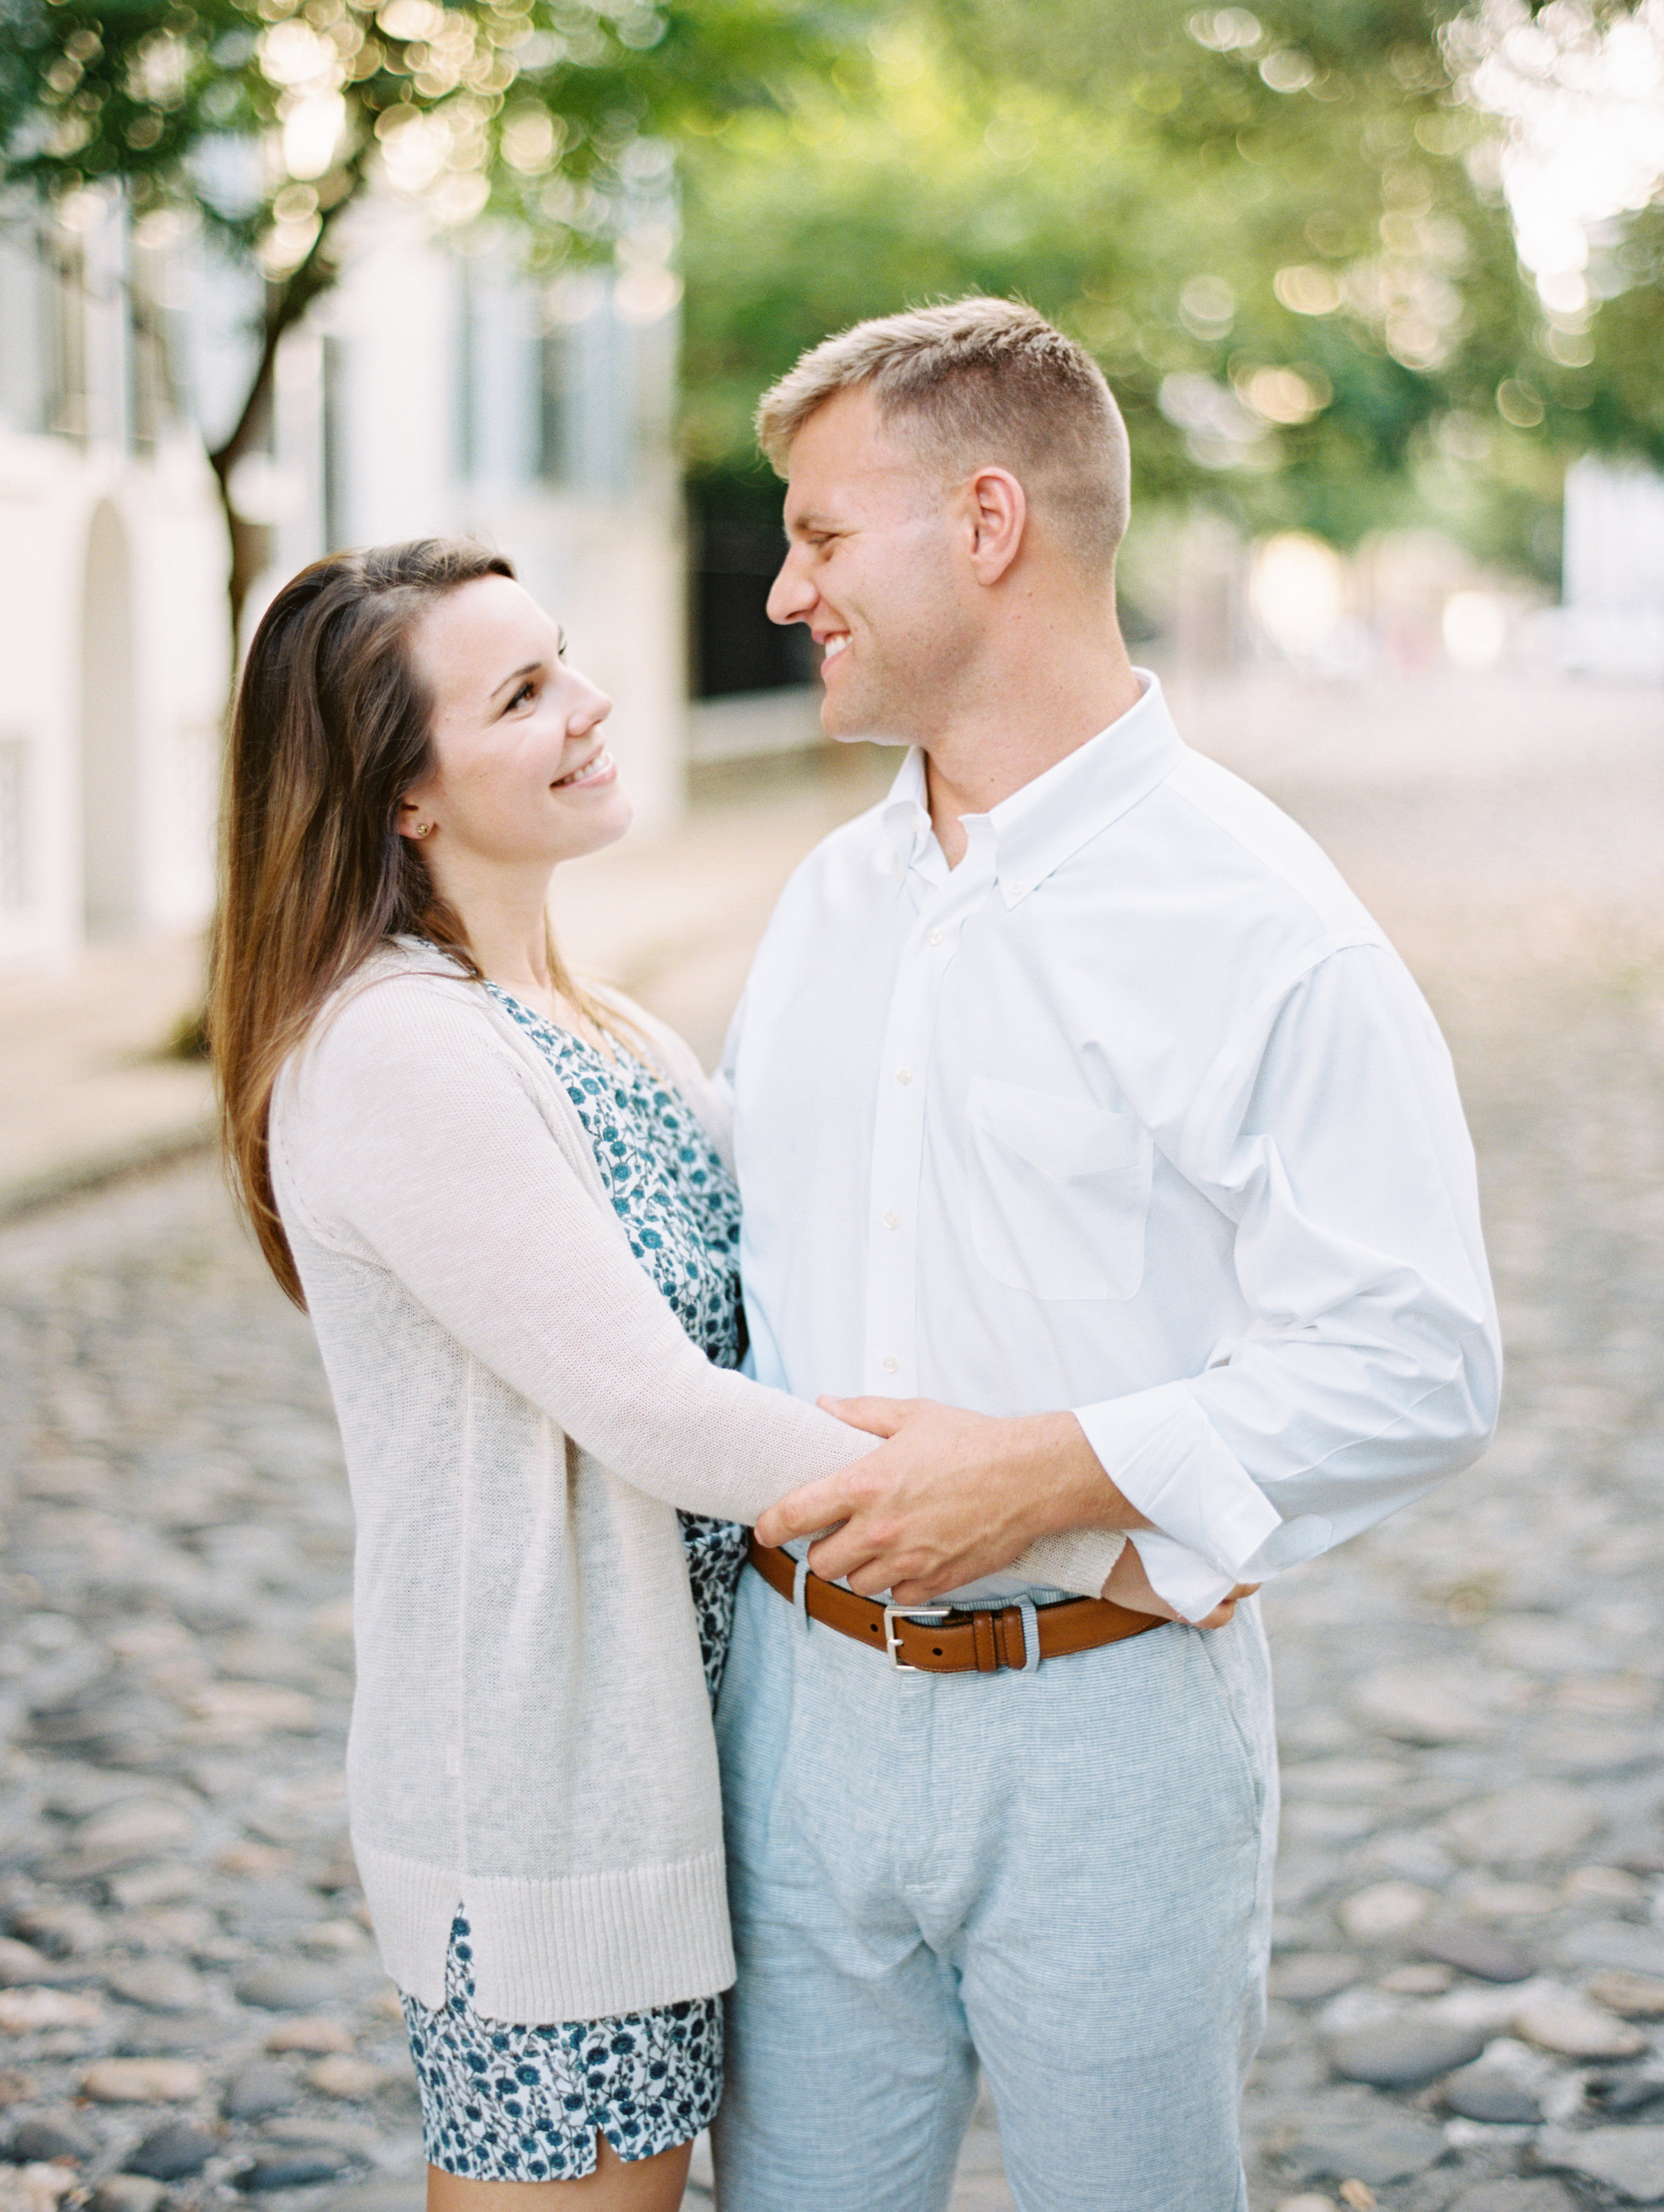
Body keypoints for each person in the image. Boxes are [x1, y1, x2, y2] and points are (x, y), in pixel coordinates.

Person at [209, 538, 1134, 2212]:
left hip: (689, 1775)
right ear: (403, 797)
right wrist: (1081, 1521)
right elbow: (666, 1409)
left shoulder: (600, 1021)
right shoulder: (396, 1048)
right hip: (547, 1805)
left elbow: (808, 1267)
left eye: (562, 658)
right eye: (520, 693)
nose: (591, 701)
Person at [713, 299, 1503, 2211]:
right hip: (792, 1721)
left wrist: (1053, 1469)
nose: (782, 593)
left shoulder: (1264, 923)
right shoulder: (830, 899)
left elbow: (1420, 1358)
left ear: (988, 521)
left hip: (1108, 1734)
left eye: (822, 534)